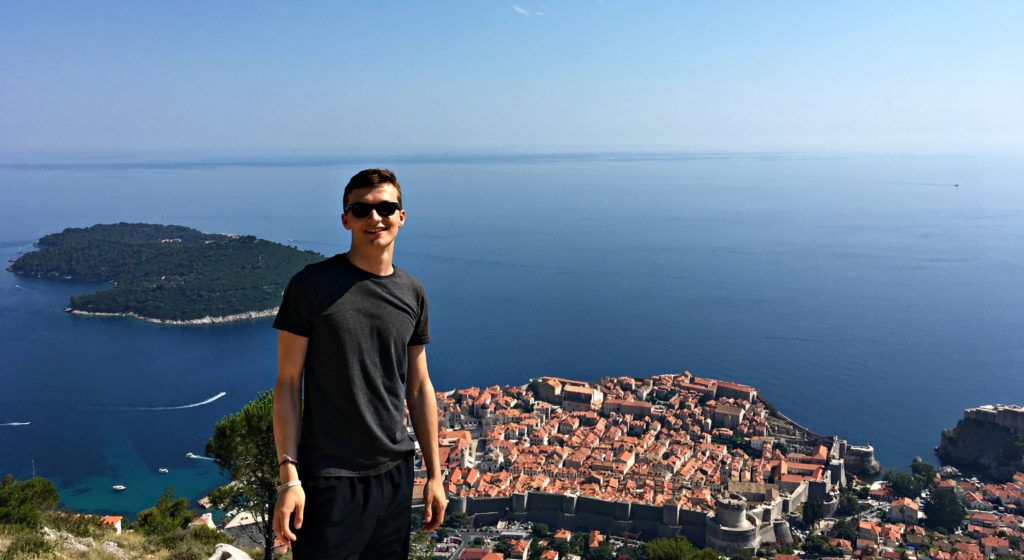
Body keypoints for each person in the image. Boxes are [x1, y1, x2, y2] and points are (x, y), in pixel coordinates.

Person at [271, 168, 447, 559]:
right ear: (345, 219)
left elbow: (419, 387)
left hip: (394, 474)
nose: (375, 218)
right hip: (330, 478)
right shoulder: (311, 285)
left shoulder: (412, 293)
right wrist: (289, 477)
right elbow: (287, 383)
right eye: (361, 209)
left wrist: (434, 475)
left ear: (402, 216)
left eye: (386, 207)